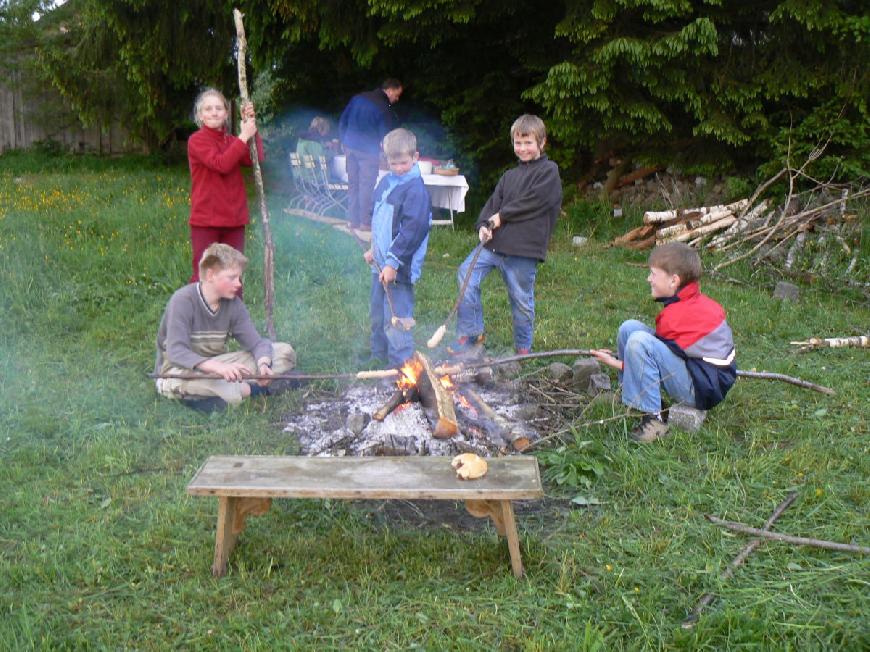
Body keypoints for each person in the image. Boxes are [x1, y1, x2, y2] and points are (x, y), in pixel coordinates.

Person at [591, 242, 737, 442]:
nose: (648, 279)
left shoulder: (676, 317)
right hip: (698, 372)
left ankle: (654, 420)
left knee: (639, 342)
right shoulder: (691, 303)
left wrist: (615, 362)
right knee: (629, 328)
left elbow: (649, 360)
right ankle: (631, 396)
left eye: (653, 274)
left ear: (674, 281)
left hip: (701, 390)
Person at [451, 114, 562, 357]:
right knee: (465, 274)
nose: (522, 148)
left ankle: (523, 349)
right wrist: (483, 224)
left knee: (521, 300)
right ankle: (472, 335)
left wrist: (501, 217)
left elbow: (533, 202)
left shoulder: (549, 172)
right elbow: (493, 204)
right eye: (518, 143)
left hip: (523, 250)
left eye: (528, 143)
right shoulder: (509, 176)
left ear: (541, 143)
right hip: (493, 247)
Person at [154, 243, 297, 412]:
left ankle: (231, 392)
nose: (238, 284)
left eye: (239, 278)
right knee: (219, 384)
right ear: (210, 275)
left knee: (284, 353)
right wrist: (218, 368)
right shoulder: (183, 300)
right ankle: (251, 390)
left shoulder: (233, 304)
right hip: (177, 371)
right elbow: (176, 351)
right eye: (232, 277)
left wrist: (263, 365)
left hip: (220, 366)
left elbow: (257, 343)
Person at [363, 128, 431, 366]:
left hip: (399, 269)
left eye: (403, 162)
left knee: (397, 316)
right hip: (379, 266)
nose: (399, 168)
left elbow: (413, 231)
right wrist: (374, 248)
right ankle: (377, 356)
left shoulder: (416, 191)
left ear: (415, 157)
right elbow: (379, 219)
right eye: (394, 163)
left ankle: (401, 365)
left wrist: (393, 262)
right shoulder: (386, 183)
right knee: (377, 314)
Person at [186, 87, 264, 285]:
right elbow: (221, 164)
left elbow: (255, 158)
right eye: (208, 109)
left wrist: (251, 127)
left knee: (232, 276)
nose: (214, 112)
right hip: (206, 220)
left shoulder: (231, 140)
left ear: (227, 113)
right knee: (205, 275)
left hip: (234, 219)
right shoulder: (197, 141)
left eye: (219, 108)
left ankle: (232, 316)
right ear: (200, 115)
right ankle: (199, 314)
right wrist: (243, 136)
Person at [339, 78, 403, 231]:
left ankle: (352, 221)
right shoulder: (383, 107)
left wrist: (344, 141)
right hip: (367, 151)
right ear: (390, 90)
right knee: (366, 186)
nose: (397, 99)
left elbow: (343, 120)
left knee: (353, 184)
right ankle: (365, 222)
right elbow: (385, 137)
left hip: (350, 147)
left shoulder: (357, 98)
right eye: (397, 95)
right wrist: (389, 156)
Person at [295, 116, 339, 180]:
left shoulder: (304, 139)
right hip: (313, 176)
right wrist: (334, 151)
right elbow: (323, 158)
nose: (326, 133)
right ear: (321, 129)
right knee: (338, 177)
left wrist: (324, 145)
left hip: (302, 174)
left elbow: (314, 150)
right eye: (326, 131)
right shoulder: (313, 142)